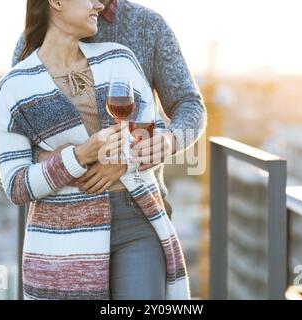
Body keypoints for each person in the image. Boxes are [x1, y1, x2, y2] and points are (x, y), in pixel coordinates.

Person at [0, 0, 190, 300]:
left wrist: (124, 160)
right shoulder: (14, 86)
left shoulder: (119, 59)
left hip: (134, 216)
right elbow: (16, 184)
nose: (98, 4)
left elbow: (155, 130)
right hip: (63, 234)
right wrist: (80, 155)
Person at [12, 0, 208, 218]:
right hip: (61, 216)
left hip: (139, 207)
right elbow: (20, 144)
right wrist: (77, 159)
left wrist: (166, 141)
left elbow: (189, 103)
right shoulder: (33, 41)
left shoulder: (149, 26)